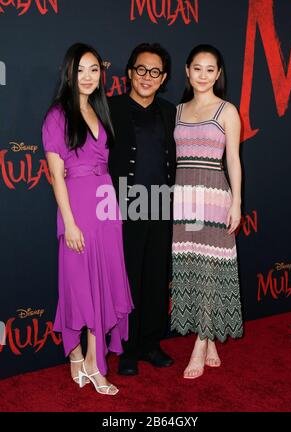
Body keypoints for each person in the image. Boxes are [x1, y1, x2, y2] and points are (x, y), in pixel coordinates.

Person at [42, 43, 133, 395]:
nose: (88, 76)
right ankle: (77, 355)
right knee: (80, 286)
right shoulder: (56, 116)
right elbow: (56, 174)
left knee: (106, 284)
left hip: (105, 205)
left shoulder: (100, 108)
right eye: (80, 69)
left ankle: (94, 362)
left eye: (94, 69)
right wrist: (69, 222)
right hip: (77, 206)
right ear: (69, 72)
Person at [171, 44, 243, 379]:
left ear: (218, 73)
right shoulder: (177, 110)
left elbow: (233, 160)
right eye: (197, 68)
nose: (203, 75)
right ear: (187, 71)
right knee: (191, 267)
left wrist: (237, 202)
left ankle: (200, 344)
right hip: (183, 199)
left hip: (214, 198)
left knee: (210, 270)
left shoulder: (227, 110)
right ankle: (210, 336)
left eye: (210, 69)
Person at [108, 43, 177, 376]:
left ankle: (151, 342)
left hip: (162, 205)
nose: (146, 77)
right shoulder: (109, 109)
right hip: (123, 207)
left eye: (154, 72)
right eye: (141, 69)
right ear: (129, 72)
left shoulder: (170, 111)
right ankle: (127, 347)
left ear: (163, 77)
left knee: (155, 277)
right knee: (128, 278)